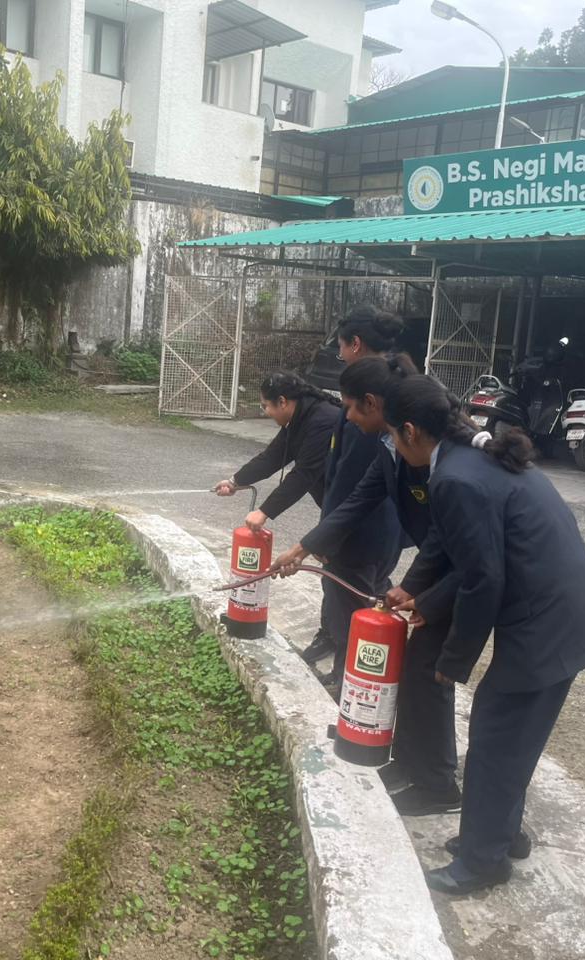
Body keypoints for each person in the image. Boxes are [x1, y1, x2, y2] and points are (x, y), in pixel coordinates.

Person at [382, 375, 585, 895]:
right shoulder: (472, 457)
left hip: (548, 622)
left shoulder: (455, 479)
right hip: (561, 611)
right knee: (512, 738)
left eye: (390, 435)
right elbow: (456, 548)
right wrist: (418, 594)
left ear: (408, 430)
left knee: (497, 738)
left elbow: (483, 579)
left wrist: (453, 661)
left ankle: (482, 863)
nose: (392, 447)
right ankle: (501, 834)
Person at [276, 354, 466, 817]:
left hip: (460, 571)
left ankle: (438, 782)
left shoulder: (445, 457)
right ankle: (409, 761)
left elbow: (456, 540)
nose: (348, 417)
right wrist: (304, 546)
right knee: (414, 666)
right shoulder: (390, 445)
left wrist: (422, 589)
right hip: (440, 563)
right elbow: (359, 498)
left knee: (431, 671)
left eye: (353, 408)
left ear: (375, 403)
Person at [273, 306, 404, 684]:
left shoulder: (370, 410)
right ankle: (345, 670)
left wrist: (327, 537)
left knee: (352, 611)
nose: (340, 354)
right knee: (364, 597)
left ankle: (350, 685)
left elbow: (354, 485)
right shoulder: (381, 392)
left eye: (342, 347)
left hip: (358, 534)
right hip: (373, 533)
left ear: (356, 344)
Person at [213, 371, 341, 528]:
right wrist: (235, 481)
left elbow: (304, 474)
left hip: (356, 504)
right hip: (336, 507)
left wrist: (264, 512)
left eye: (265, 406)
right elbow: (271, 457)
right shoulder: (299, 417)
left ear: (282, 402)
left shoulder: (322, 421)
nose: (265, 412)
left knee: (328, 549)